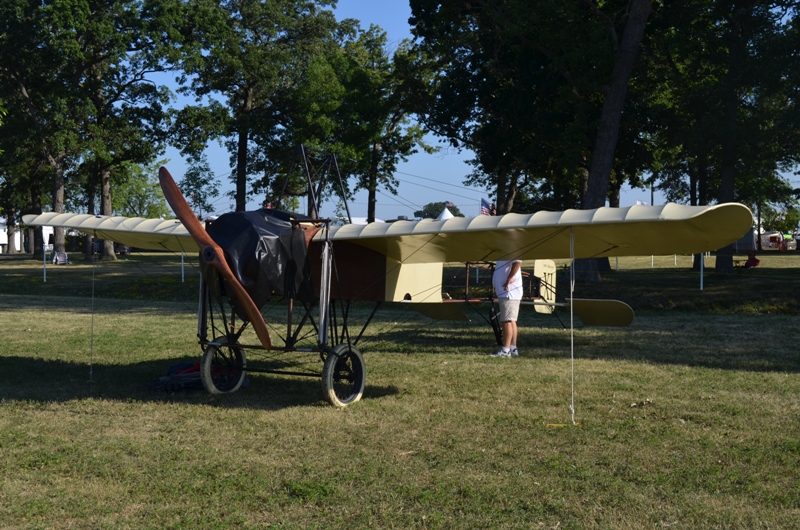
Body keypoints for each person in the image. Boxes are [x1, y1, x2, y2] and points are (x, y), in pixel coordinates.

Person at [491, 259, 522, 357]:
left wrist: (509, 278)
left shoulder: (512, 248)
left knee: (506, 320)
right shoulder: (505, 250)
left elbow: (517, 263)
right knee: (511, 320)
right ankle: (513, 348)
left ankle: (506, 350)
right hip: (506, 292)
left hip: (509, 292)